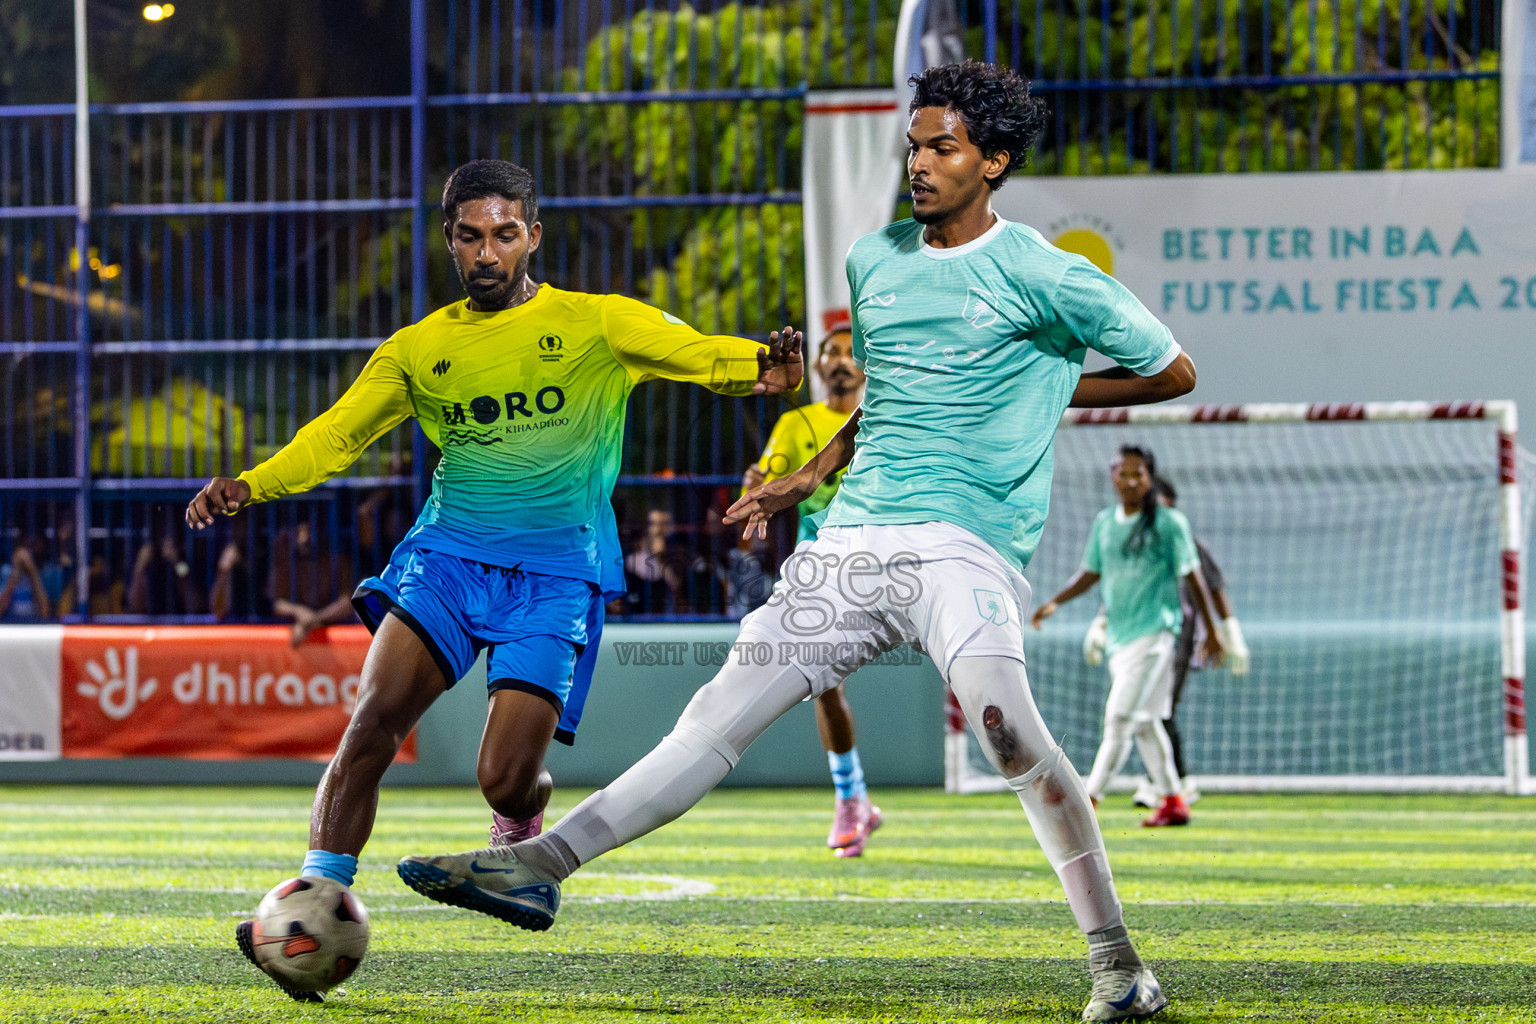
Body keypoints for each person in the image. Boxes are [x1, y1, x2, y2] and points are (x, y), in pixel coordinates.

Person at [398, 61, 1201, 1022]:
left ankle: (1118, 966)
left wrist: (1037, 388)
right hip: (854, 542)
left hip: (965, 547)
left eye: (943, 146)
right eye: (914, 144)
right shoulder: (876, 260)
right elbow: (889, 398)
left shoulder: (1045, 270)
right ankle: (540, 865)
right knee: (717, 711)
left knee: (1004, 726)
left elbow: (1173, 370)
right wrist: (807, 475)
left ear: (994, 161)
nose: (920, 161)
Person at [184, 158, 802, 1001]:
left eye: (504, 234)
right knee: (370, 722)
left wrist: (759, 369)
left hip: (556, 577)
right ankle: (314, 900)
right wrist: (249, 484)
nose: (487, 251)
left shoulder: (597, 325)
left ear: (532, 237)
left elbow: (696, 353)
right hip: (447, 559)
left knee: (504, 777)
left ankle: (519, 839)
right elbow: (334, 437)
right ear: (449, 241)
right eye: (471, 235)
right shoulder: (419, 350)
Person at [1030, 447, 1225, 830]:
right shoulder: (1105, 523)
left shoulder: (1168, 523)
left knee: (1119, 718)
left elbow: (1194, 576)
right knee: (1145, 723)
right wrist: (1055, 602)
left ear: (1149, 478)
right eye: (1124, 473)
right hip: (1121, 637)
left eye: (1139, 473)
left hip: (1155, 635)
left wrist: (1214, 630)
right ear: (1112, 477)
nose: (1131, 481)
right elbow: (1091, 572)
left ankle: (1086, 803)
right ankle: (1173, 802)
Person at [744, 322, 881, 857]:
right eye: (833, 352)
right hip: (822, 552)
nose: (842, 360)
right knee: (824, 680)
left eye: (852, 353)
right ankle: (851, 798)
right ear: (820, 366)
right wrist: (758, 483)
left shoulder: (885, 415)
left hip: (887, 546)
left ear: (866, 367)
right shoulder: (797, 421)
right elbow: (767, 479)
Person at [1085, 477, 1249, 808]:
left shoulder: (1180, 538)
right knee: (1149, 713)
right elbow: (1123, 587)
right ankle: (1173, 789)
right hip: (1132, 635)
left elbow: (1211, 585)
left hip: (1172, 636)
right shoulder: (1132, 540)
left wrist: (1228, 633)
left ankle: (1102, 793)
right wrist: (1100, 624)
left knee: (1147, 712)